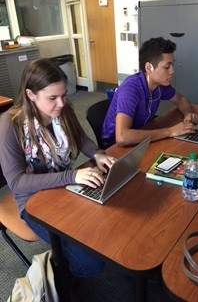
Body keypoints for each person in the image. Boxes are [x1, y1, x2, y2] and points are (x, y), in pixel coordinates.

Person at [0, 58, 116, 281]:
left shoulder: (62, 109)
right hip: (33, 201)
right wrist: (72, 175)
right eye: (52, 98)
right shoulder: (10, 125)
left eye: (63, 95)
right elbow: (17, 182)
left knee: (111, 219)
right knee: (91, 265)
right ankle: (60, 273)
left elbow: (80, 138)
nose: (61, 103)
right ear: (30, 95)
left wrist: (97, 154)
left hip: (65, 186)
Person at [101, 37, 198, 148]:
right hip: (115, 147)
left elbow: (181, 99)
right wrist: (170, 131)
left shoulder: (161, 84)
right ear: (149, 67)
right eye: (167, 66)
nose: (172, 71)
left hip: (142, 134)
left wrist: (188, 113)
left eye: (172, 65)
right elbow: (122, 137)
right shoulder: (131, 89)